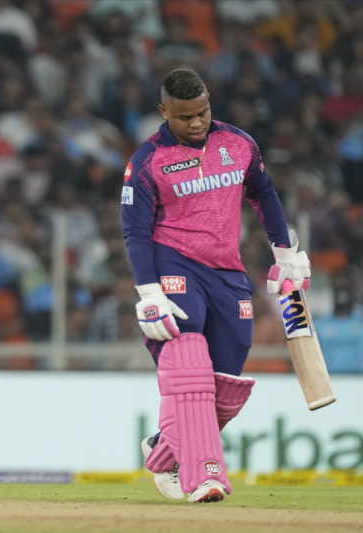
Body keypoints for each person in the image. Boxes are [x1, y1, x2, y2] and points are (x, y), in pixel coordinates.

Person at [120, 68, 310, 502]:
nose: (196, 123)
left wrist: (285, 253)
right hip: (175, 265)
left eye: (202, 112)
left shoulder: (238, 144)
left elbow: (264, 194)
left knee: (225, 384)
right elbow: (134, 231)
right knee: (190, 370)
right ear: (164, 112)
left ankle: (163, 450)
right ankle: (205, 476)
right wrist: (149, 292)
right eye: (184, 117)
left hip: (227, 270)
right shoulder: (148, 160)